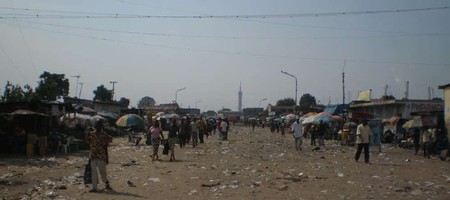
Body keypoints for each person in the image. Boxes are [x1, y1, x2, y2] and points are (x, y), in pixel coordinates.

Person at [86, 120, 113, 192]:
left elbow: (109, 140)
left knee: (102, 171)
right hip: (93, 155)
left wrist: (107, 157)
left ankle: (106, 182)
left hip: (101, 155)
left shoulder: (104, 135)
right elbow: (88, 141)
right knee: (93, 172)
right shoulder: (92, 134)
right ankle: (94, 187)